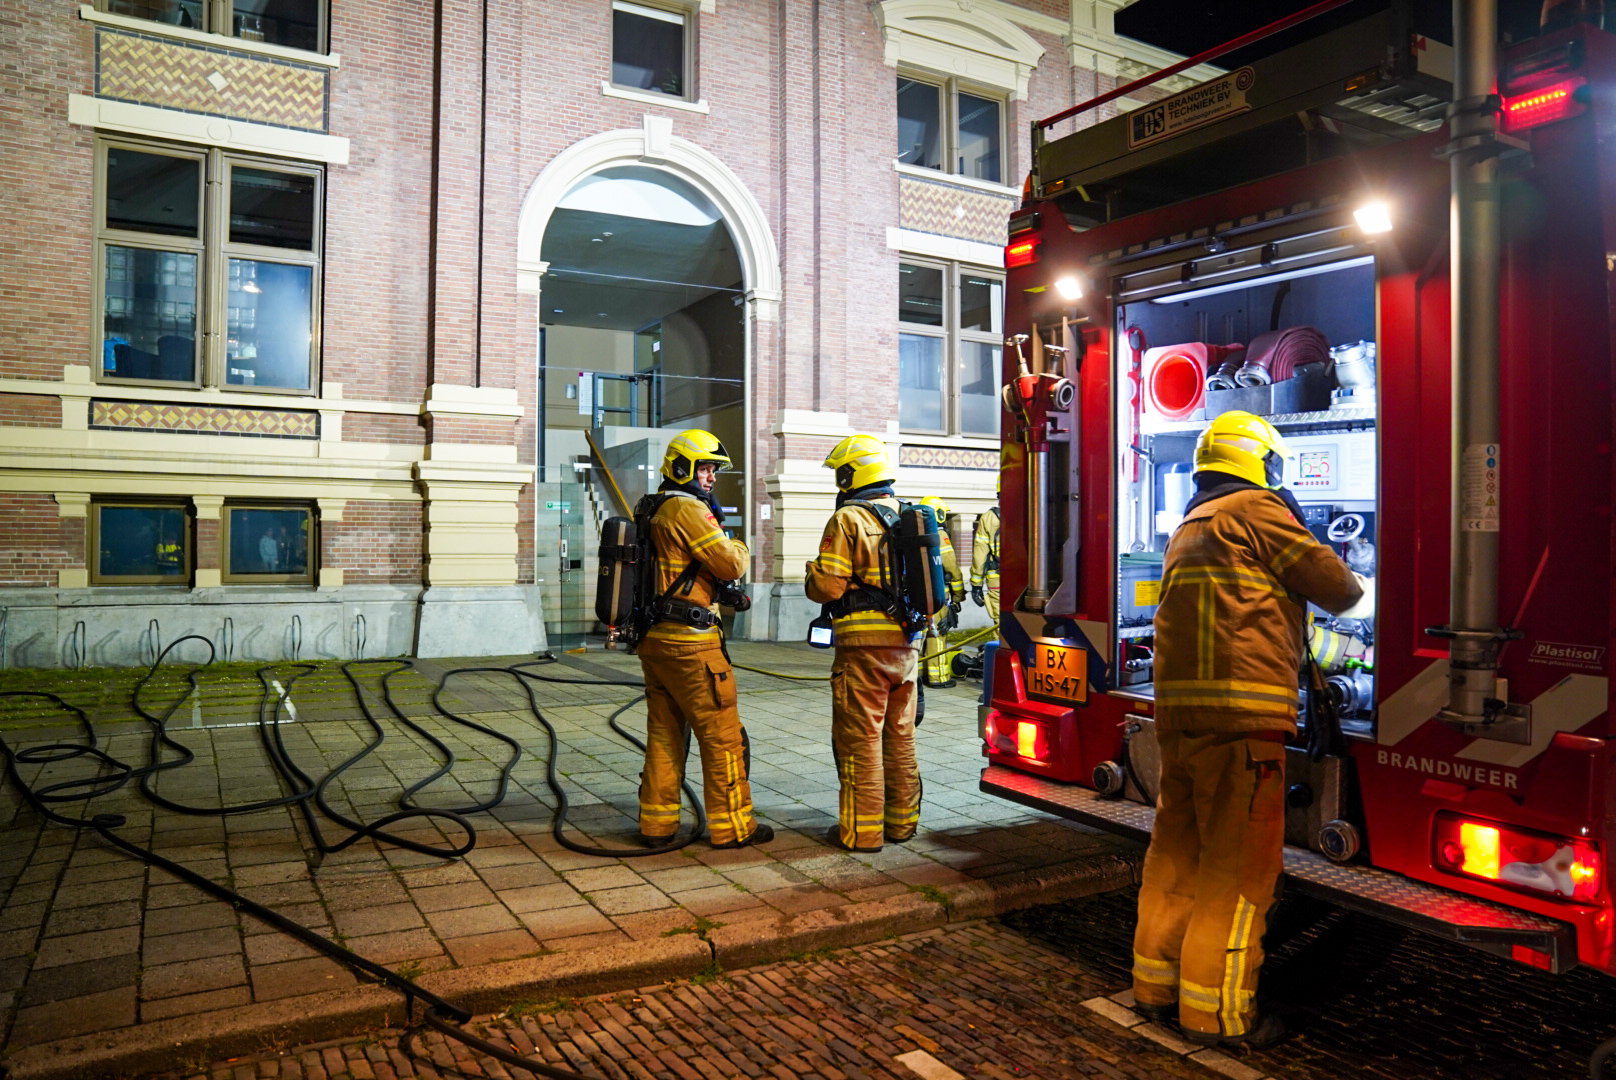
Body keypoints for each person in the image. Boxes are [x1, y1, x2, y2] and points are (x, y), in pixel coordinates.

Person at [1131, 410, 1370, 1048]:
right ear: (1261, 465)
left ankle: (1155, 987)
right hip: (1241, 725)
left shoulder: (1191, 523)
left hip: (1181, 722)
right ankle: (1217, 1015)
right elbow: (1341, 589)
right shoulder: (1257, 512)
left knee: (1176, 859)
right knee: (1237, 876)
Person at [635, 429, 772, 850]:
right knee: (721, 735)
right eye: (704, 468)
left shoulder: (653, 506)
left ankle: (656, 827)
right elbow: (730, 563)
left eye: (713, 469)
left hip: (656, 639)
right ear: (681, 468)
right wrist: (740, 544)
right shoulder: (686, 508)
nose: (711, 477)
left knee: (664, 734)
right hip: (691, 644)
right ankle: (734, 828)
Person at [804, 433, 921, 852]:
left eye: (842, 472)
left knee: (862, 739)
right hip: (906, 648)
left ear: (856, 473)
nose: (839, 480)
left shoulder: (849, 519)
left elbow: (828, 587)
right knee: (900, 736)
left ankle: (863, 833)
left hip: (862, 649)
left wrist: (811, 572)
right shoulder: (908, 516)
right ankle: (902, 825)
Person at [918, 496, 965, 689]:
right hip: (938, 594)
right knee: (937, 634)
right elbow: (951, 566)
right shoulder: (939, 535)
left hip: (917, 594)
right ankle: (939, 678)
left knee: (920, 635)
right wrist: (958, 595)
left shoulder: (915, 535)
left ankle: (919, 675)